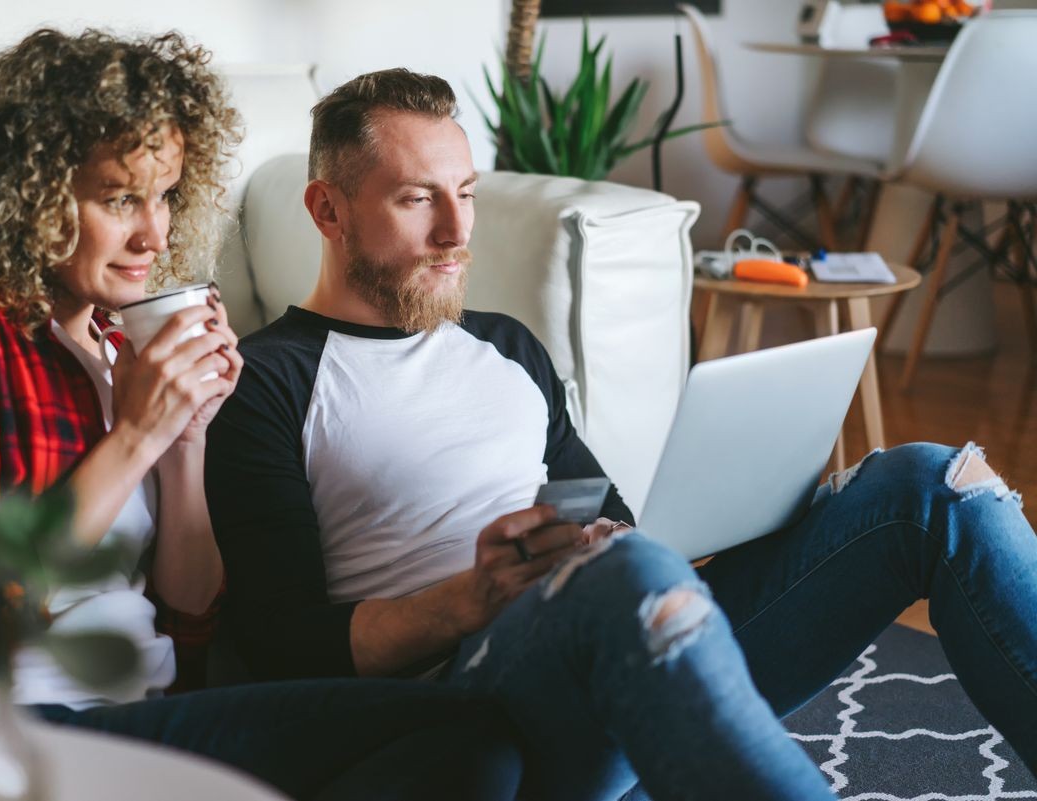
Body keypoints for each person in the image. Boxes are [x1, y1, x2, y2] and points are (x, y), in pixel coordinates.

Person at [205, 67, 1037, 801]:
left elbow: (615, 520)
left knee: (929, 488)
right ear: (327, 209)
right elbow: (284, 649)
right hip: (473, 700)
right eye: (418, 198)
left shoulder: (506, 347)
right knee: (627, 570)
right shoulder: (267, 382)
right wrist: (472, 599)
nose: (457, 235)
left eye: (465, 194)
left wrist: (734, 506)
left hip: (624, 635)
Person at [0, 34, 524, 801]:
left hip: (153, 711)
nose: (155, 235)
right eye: (119, 199)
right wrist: (135, 436)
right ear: (31, 192)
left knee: (479, 743)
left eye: (167, 195)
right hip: (17, 723)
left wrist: (186, 438)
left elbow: (188, 618)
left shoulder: (120, 346)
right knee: (454, 732)